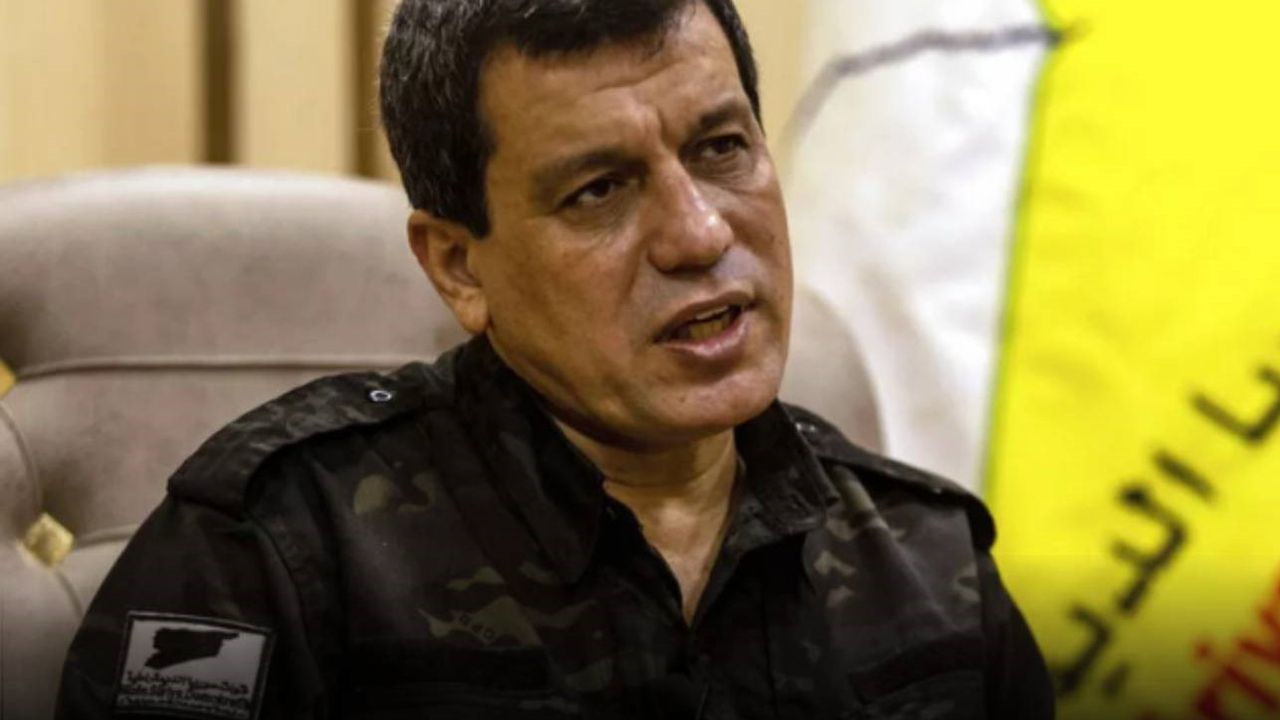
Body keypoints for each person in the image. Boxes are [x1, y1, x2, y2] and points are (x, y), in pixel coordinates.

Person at [56, 0, 1055, 717]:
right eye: (598, 191)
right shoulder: (272, 549)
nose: (699, 233)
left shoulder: (929, 564)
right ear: (459, 267)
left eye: (720, 148)